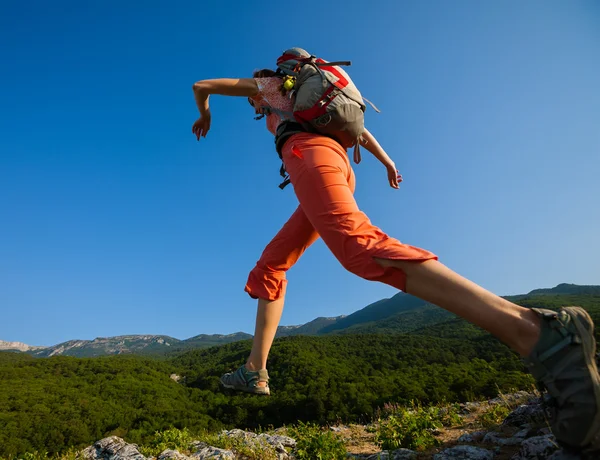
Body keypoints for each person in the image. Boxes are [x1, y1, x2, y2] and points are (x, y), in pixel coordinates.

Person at [190, 53, 600, 454]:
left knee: (357, 248)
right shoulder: (316, 98)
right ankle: (255, 370)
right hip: (335, 165)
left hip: (309, 158)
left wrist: (205, 113)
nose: (254, 105)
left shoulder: (272, 88)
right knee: (271, 265)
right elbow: (361, 132)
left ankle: (540, 335)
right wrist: (387, 163)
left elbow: (201, 86)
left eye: (254, 101)